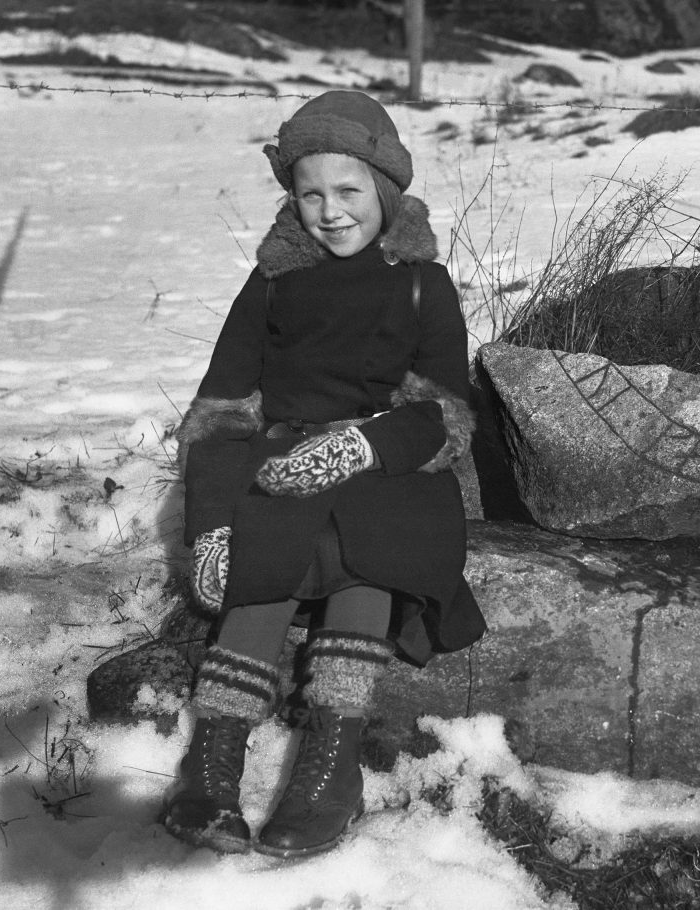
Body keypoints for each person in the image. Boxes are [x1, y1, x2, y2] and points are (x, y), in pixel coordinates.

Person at [165, 90, 485, 857]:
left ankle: (329, 768)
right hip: (283, 461)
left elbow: (445, 412)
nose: (331, 211)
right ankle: (214, 764)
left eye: (349, 192)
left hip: (389, 468)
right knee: (264, 561)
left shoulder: (421, 283)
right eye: (311, 194)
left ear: (385, 188)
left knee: (370, 553)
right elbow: (221, 414)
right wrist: (211, 525)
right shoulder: (273, 284)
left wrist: (367, 446)